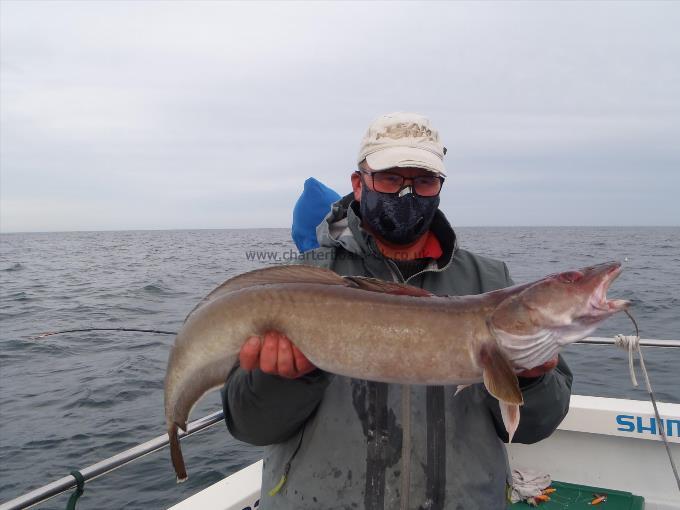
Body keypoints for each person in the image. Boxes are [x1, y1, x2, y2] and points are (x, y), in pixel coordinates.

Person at [222, 112, 573, 510]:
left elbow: (536, 427)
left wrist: (529, 380)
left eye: (423, 181)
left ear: (440, 187)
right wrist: (284, 378)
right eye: (390, 179)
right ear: (359, 183)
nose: (407, 194)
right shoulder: (305, 283)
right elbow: (250, 425)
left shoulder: (492, 282)